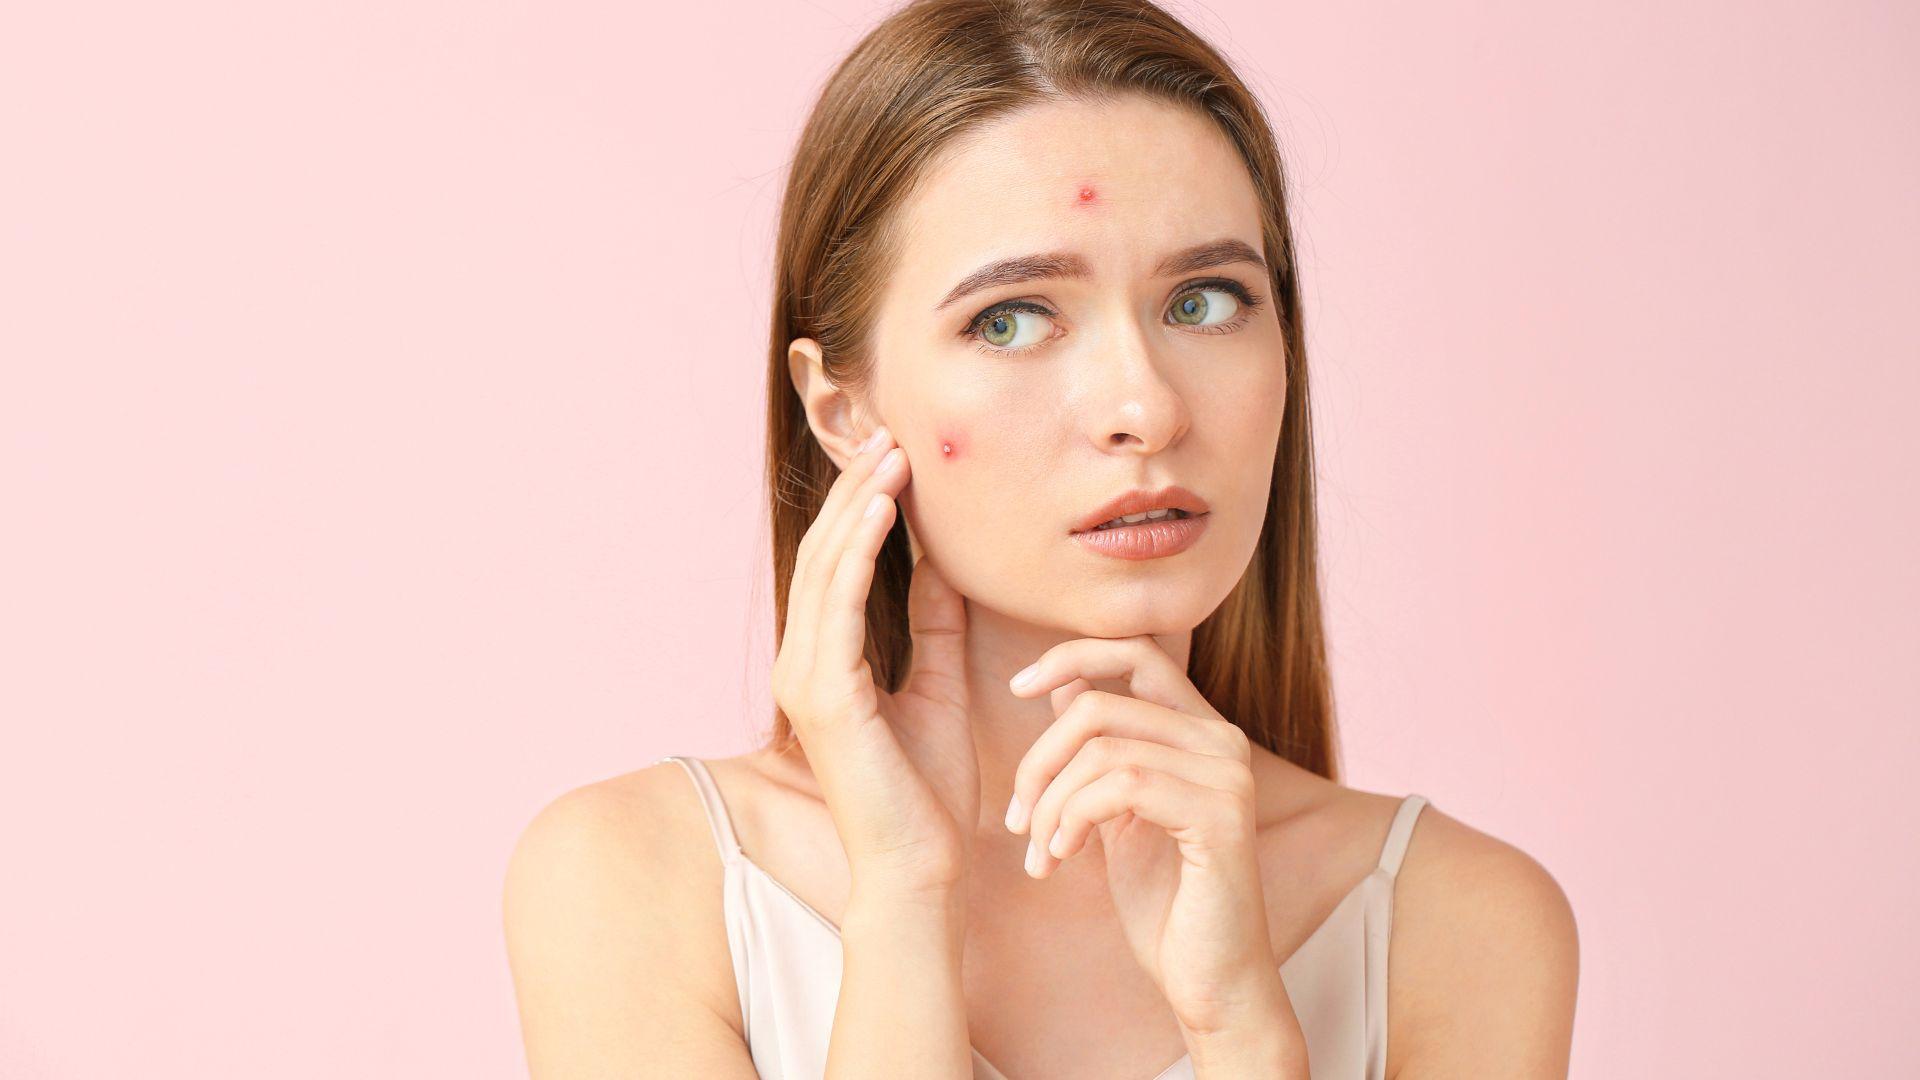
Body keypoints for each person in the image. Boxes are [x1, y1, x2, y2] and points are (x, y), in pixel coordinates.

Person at [503, 1, 1579, 1076]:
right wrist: (904, 900)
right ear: (843, 411)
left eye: (1204, 302)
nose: (1146, 409)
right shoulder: (636, 882)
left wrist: (1242, 1025)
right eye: (1010, 319)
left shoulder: (1460, 922)